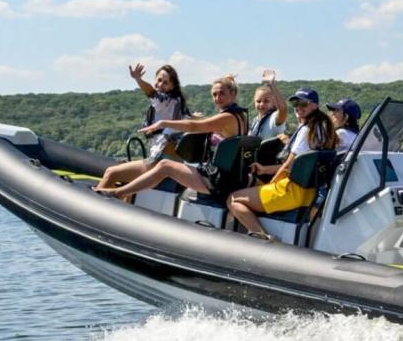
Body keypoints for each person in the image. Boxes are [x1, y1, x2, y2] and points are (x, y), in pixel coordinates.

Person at [96, 75, 248, 199]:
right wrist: (192, 118)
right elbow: (207, 123)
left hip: (218, 180)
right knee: (164, 165)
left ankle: (118, 193)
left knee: (165, 166)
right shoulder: (240, 116)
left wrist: (163, 123)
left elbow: (195, 127)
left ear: (233, 94)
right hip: (226, 177)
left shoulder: (227, 117)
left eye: (222, 93)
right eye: (214, 94)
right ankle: (121, 194)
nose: (217, 98)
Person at [227, 88, 337, 234]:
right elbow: (298, 165)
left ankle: (261, 236)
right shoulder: (322, 128)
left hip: (291, 193)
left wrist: (270, 185)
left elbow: (287, 167)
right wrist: (265, 170)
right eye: (296, 104)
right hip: (308, 193)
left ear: (314, 106)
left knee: (233, 199)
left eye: (303, 104)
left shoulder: (306, 130)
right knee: (255, 185)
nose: (298, 107)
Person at [94, 63, 190, 190]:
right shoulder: (177, 103)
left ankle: (91, 200)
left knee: (111, 173)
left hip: (160, 160)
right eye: (159, 80)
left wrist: (138, 80)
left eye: (166, 83)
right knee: (128, 185)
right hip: (169, 159)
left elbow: (151, 93)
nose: (160, 85)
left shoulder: (167, 101)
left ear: (173, 86)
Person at [250, 69, 288, 139]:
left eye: (266, 101)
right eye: (258, 101)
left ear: (274, 102)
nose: (261, 104)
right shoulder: (255, 121)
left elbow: (283, 108)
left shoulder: (275, 118)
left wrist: (271, 84)